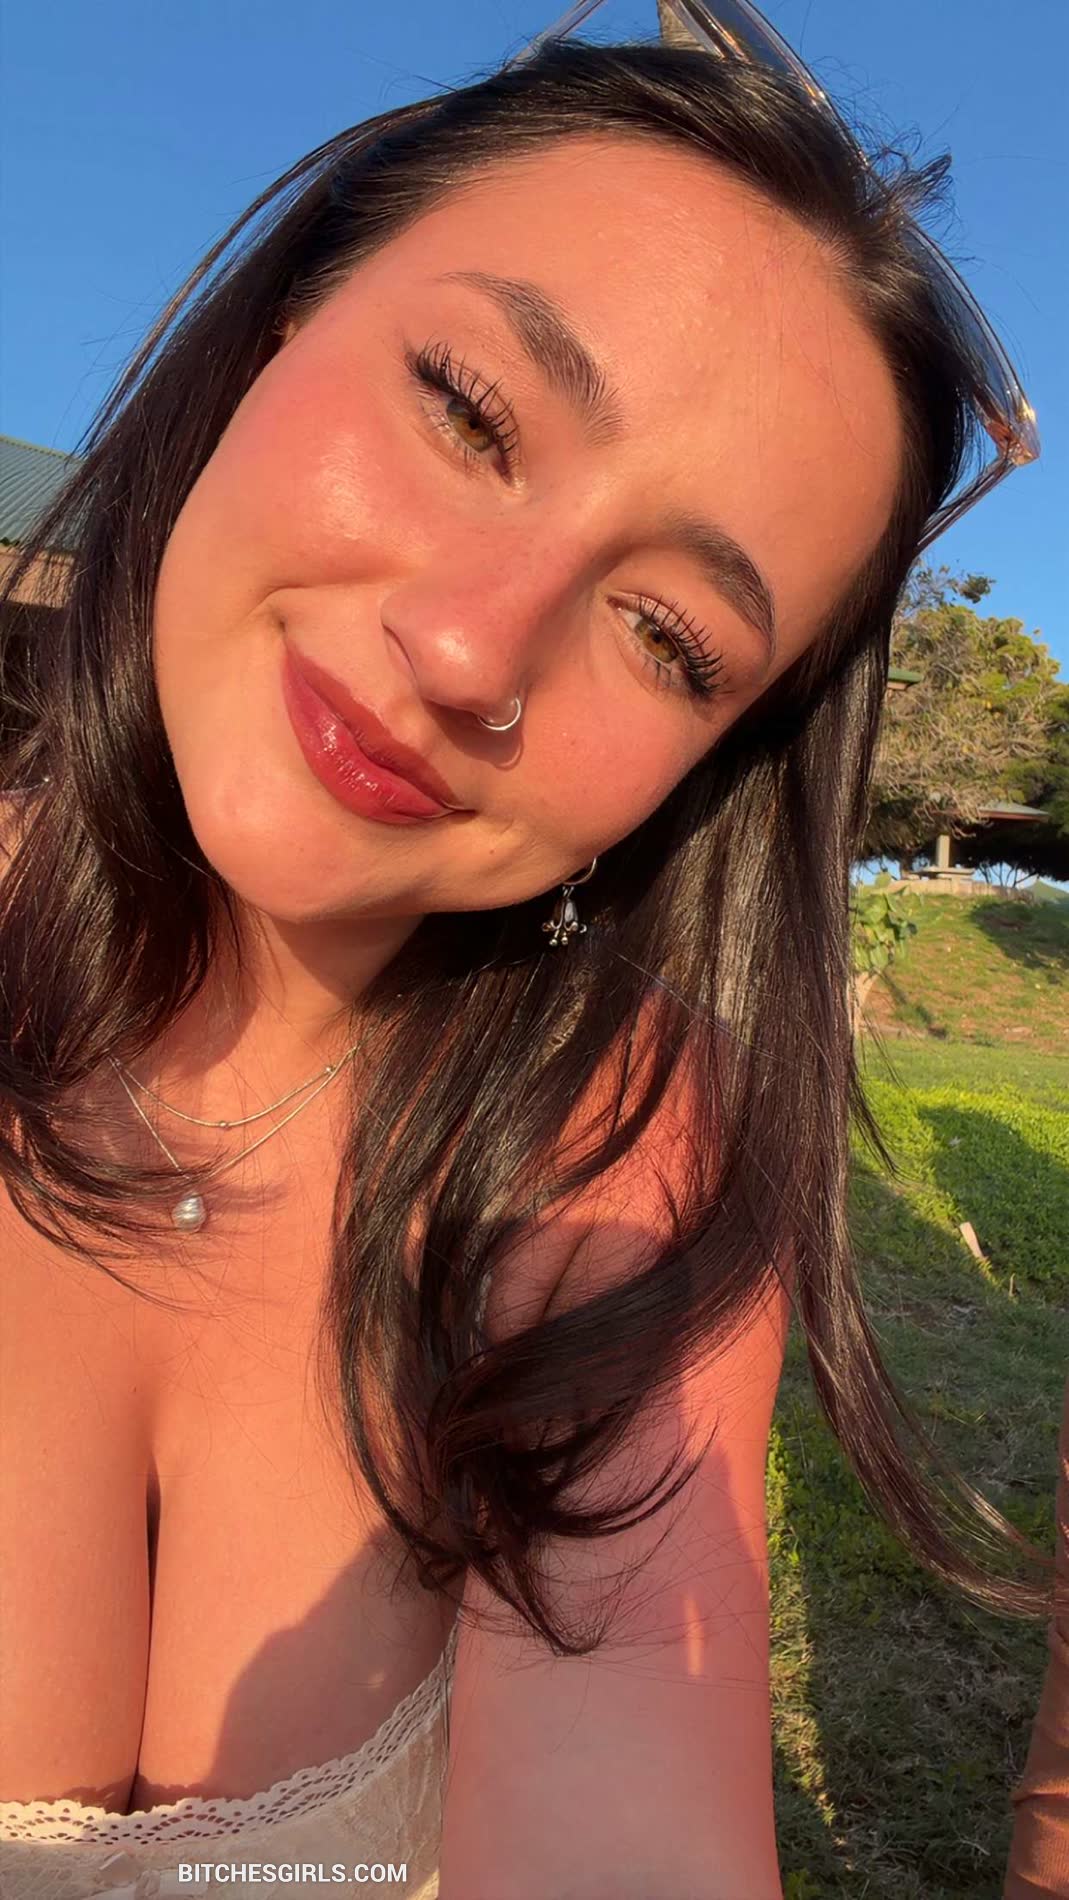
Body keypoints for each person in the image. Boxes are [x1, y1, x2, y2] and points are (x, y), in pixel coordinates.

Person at [0, 9, 1054, 1898]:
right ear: (279, 324)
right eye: (471, 414)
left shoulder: (627, 1147)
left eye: (667, 637)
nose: (474, 650)